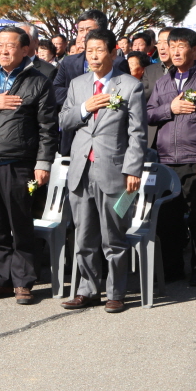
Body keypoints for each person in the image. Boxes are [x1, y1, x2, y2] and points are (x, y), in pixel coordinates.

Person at [0, 27, 57, 303]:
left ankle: (24, 281)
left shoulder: (38, 81)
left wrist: (43, 163)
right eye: (0, 44)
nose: (3, 50)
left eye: (11, 45)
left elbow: (48, 128)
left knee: (21, 221)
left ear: (25, 49)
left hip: (20, 163)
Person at [58, 27, 147, 312]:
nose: (93, 56)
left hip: (114, 170)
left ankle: (116, 292)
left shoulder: (129, 86)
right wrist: (85, 108)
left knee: (113, 237)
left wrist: (133, 169)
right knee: (84, 236)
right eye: (89, 51)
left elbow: (137, 133)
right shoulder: (77, 85)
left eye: (99, 50)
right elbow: (64, 121)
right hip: (81, 169)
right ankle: (87, 289)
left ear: (113, 52)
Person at [146, 27, 196, 286]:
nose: (175, 51)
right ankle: (172, 268)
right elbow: (149, 114)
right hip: (166, 161)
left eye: (181, 46)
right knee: (168, 218)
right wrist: (170, 108)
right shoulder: (163, 82)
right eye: (171, 46)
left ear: (194, 49)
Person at [53, 9, 130, 155]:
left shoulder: (117, 62)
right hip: (73, 134)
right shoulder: (68, 62)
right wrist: (84, 99)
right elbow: (55, 91)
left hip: (106, 140)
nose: (83, 35)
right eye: (80, 30)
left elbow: (124, 95)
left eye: (88, 30)